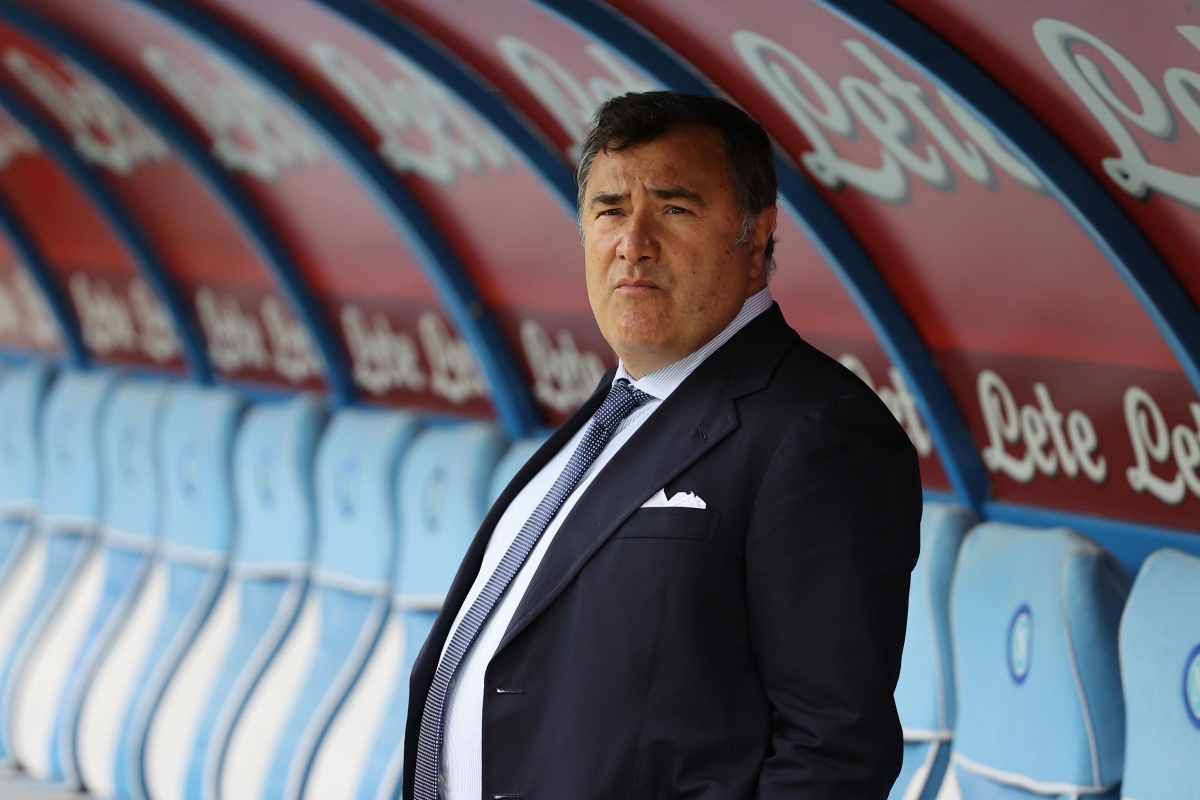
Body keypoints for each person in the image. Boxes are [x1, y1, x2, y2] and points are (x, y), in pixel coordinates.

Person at [404, 91, 922, 800]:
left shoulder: (817, 431)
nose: (633, 243)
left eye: (675, 209)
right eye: (610, 210)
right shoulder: (614, 409)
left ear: (756, 235)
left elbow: (833, 751)